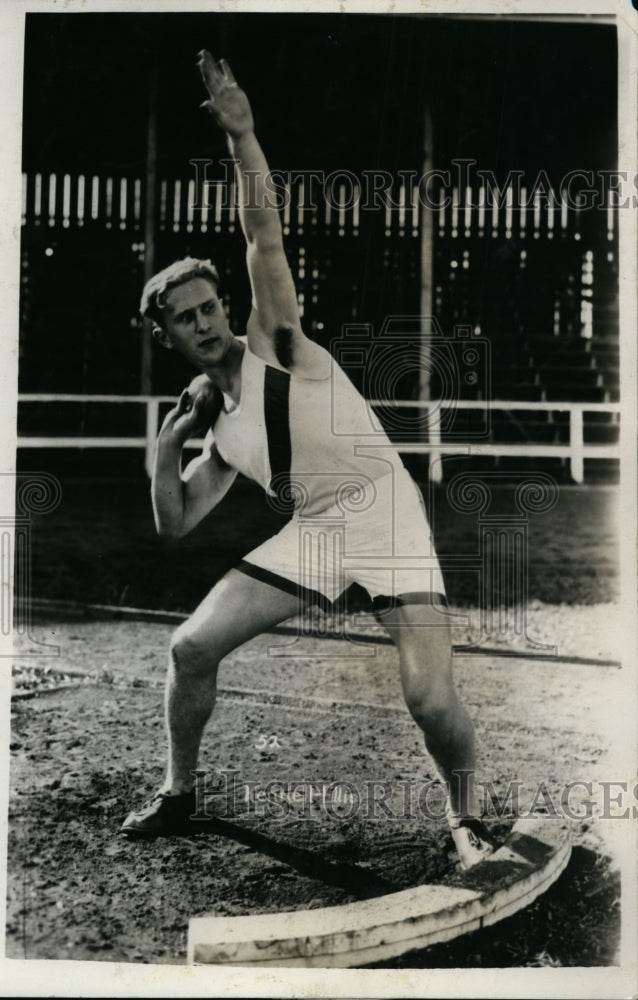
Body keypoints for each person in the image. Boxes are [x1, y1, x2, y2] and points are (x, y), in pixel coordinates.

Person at [122, 50, 495, 869]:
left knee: (429, 698)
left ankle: (467, 818)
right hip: (318, 532)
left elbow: (264, 234)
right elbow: (175, 522)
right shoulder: (217, 426)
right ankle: (179, 792)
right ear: (165, 333)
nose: (203, 323)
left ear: (225, 308)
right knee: (189, 648)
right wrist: (168, 443)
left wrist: (241, 137)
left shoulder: (276, 342)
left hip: (384, 510)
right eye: (185, 318)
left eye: (209, 307)